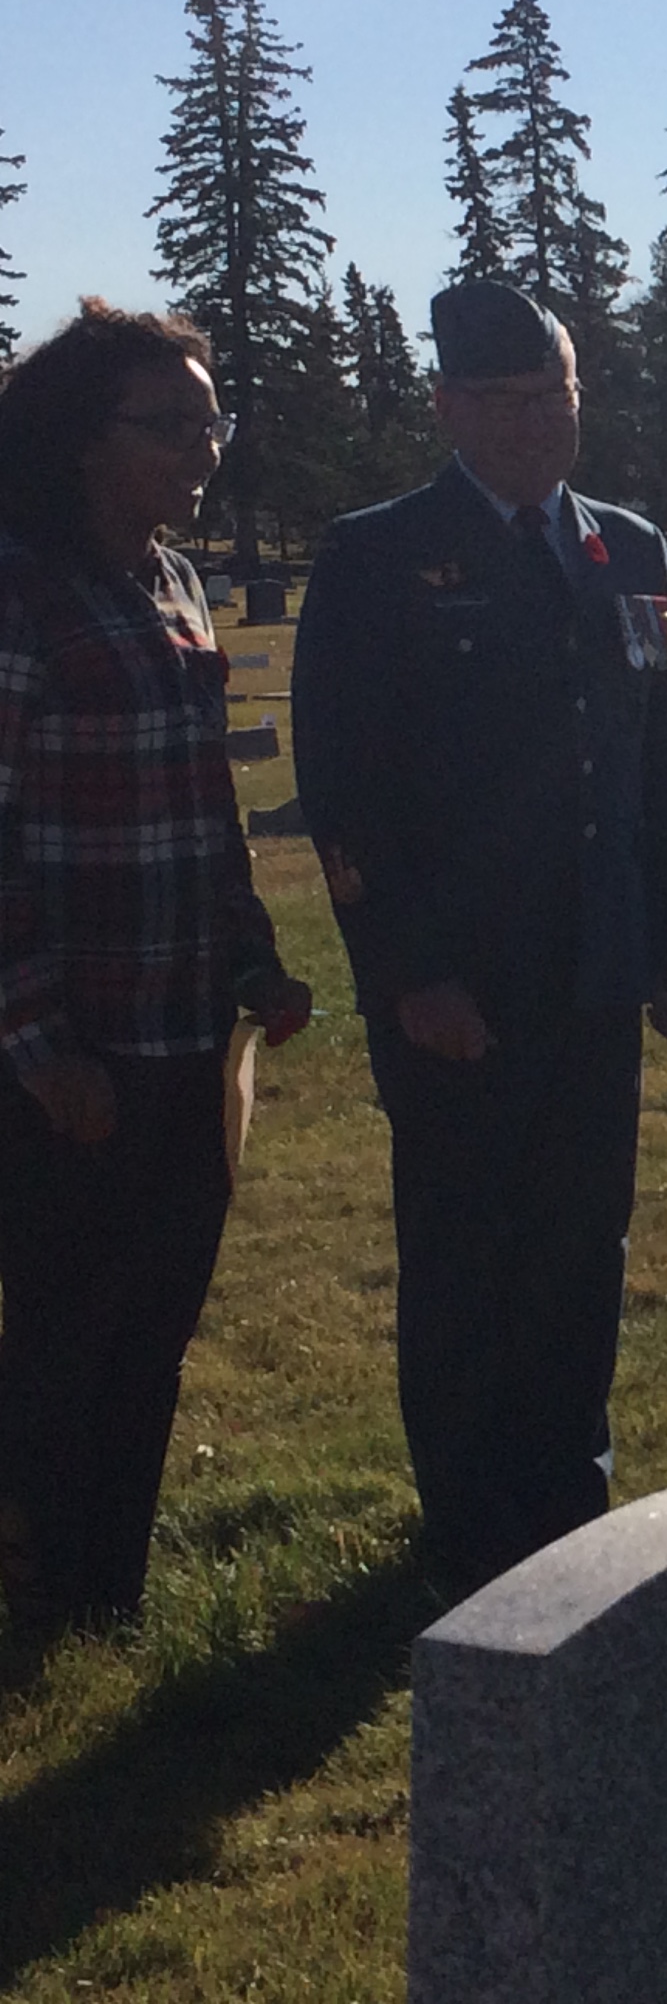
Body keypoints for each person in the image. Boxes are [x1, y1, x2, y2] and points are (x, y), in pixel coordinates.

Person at [293, 278, 667, 1595]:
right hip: (461, 983)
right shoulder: (380, 556)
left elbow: (663, 757)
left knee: (584, 1244)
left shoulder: (624, 548)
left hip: (594, 965)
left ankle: (568, 1492)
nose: (539, 423)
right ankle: (472, 1519)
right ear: (449, 408)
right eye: (509, 401)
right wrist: (409, 974)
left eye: (557, 396)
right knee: (469, 1250)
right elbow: (346, 792)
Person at [0, 303, 314, 1639]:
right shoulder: (19, 592)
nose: (203, 449)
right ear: (84, 440)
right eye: (169, 424)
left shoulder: (176, 583)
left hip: (187, 1032)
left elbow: (202, 805)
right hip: (71, 1051)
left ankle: (104, 1599)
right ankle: (31, 1594)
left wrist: (255, 960)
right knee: (61, 1335)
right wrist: (38, 1045)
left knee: (153, 1326)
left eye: (211, 423)